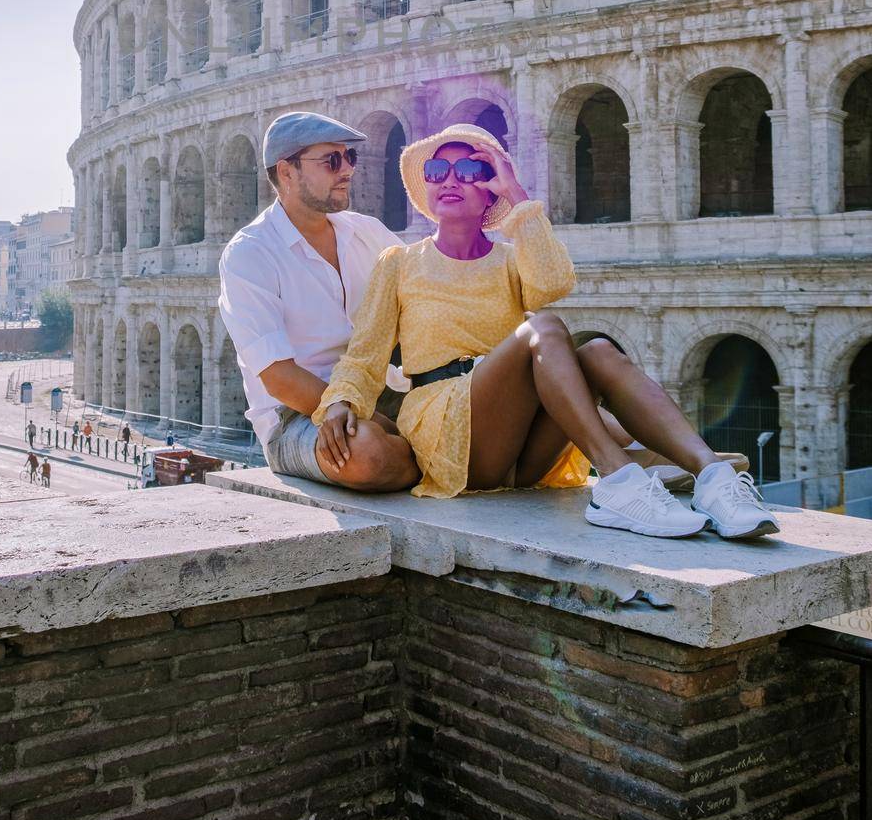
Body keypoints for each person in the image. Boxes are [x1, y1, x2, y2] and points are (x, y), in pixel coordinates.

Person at [314, 124, 777, 541]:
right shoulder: (399, 263)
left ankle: (714, 478)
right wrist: (339, 400)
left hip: (524, 449)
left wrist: (516, 194)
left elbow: (555, 282)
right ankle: (618, 479)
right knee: (547, 328)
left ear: (491, 189)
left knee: (596, 351)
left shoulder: (513, 259)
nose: (449, 180)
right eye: (437, 170)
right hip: (449, 432)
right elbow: (365, 352)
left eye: (470, 169)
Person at [219, 111, 420, 490]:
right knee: (367, 455)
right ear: (287, 171)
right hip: (297, 416)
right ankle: (432, 460)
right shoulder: (250, 253)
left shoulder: (367, 232)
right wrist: (383, 425)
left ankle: (418, 455)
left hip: (378, 393)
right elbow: (279, 378)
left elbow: (426, 294)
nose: (347, 170)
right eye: (331, 160)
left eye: (350, 158)